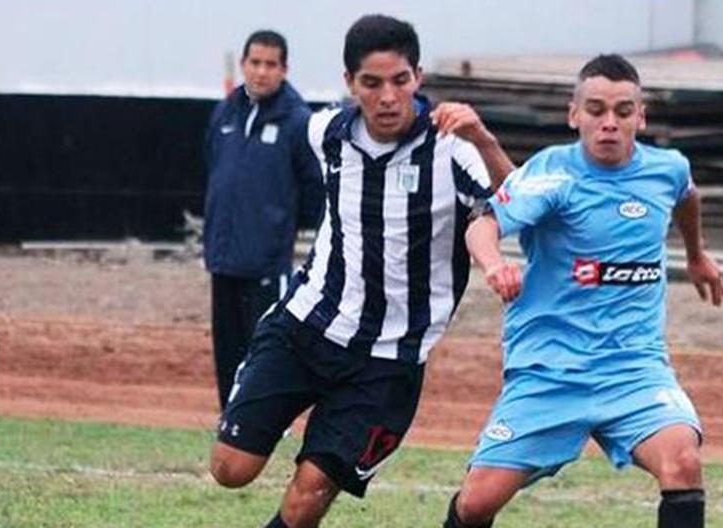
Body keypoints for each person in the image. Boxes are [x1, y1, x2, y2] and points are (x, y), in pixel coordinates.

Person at [207, 14, 514, 528]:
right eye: (372, 83)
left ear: (417, 76)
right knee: (230, 468)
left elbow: (514, 203)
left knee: (307, 496)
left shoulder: (453, 147)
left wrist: (484, 140)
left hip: (386, 361)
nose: (388, 96)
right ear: (350, 83)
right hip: (304, 327)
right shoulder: (324, 131)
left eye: (400, 80)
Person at [442, 54, 723, 528]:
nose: (609, 123)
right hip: (551, 371)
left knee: (682, 461)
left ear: (641, 116)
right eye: (596, 110)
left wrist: (696, 254)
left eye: (622, 111)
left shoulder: (667, 169)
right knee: (476, 504)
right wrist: (494, 266)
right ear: (574, 115)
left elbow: (687, 195)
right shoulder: (554, 174)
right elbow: (483, 223)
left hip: (633, 369)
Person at [203, 30, 323, 411]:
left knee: (266, 348)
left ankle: (267, 420)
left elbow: (314, 188)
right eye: (255, 63)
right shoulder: (225, 112)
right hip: (223, 259)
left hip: (267, 263)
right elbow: (213, 167)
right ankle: (230, 419)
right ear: (243, 65)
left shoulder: (297, 121)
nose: (261, 72)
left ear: (284, 69)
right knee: (227, 347)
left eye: (271, 64)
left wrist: (278, 229)